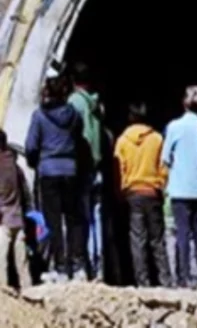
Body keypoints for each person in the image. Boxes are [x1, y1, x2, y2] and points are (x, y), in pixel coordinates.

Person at [25, 77, 87, 282]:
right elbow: (79, 141)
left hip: (48, 171)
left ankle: (60, 266)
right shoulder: (75, 116)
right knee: (74, 219)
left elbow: (31, 146)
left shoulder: (39, 116)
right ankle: (78, 265)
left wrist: (36, 162)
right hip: (71, 170)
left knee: (53, 221)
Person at [115, 102, 173, 287]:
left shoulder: (123, 140)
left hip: (133, 194)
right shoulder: (157, 139)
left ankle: (143, 282)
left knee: (137, 239)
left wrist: (121, 191)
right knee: (157, 239)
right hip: (152, 192)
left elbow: (119, 168)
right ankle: (165, 281)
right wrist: (161, 185)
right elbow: (164, 167)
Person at [162, 85, 197, 288]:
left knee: (182, 233)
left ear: (184, 102)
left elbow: (165, 158)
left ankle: (182, 277)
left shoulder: (174, 127)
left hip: (179, 188)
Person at [65, 62, 105, 280]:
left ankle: (83, 266)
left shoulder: (74, 103)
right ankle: (98, 266)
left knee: (79, 218)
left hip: (80, 167)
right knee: (96, 217)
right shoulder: (96, 104)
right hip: (96, 168)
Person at [0, 130, 32, 290]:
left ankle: (3, 294)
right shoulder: (14, 164)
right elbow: (26, 192)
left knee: (1, 262)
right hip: (18, 218)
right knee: (22, 262)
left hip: (3, 220)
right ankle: (29, 290)